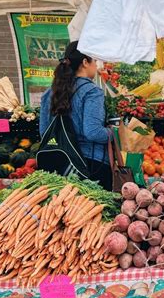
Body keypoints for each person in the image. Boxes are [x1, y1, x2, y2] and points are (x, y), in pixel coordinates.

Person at [39, 41, 113, 190]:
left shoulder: (49, 93)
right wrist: (114, 133)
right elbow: (93, 132)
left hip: (58, 165)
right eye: (95, 61)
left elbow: (44, 133)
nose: (96, 65)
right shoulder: (91, 91)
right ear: (85, 62)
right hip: (89, 166)